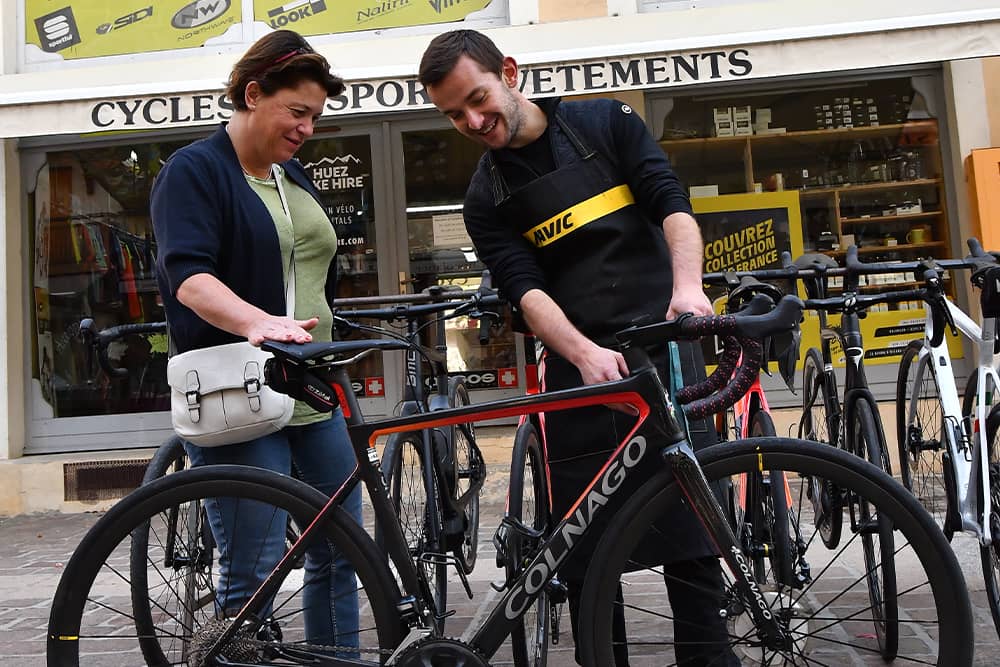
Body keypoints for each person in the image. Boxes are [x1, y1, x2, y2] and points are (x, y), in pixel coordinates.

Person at [419, 30, 739, 666]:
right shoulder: (484, 199)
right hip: (578, 372)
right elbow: (525, 290)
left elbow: (671, 204)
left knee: (694, 543)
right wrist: (589, 358)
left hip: (665, 349)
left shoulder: (605, 121)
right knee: (591, 560)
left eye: (478, 100)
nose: (473, 121)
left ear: (509, 72)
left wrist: (688, 289)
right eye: (455, 115)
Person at [151, 30, 361, 651]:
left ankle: (337, 662)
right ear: (251, 94)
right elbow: (188, 277)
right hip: (239, 390)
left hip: (311, 388)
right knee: (256, 569)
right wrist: (254, 321)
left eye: (316, 117)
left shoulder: (291, 176)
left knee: (343, 546)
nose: (307, 129)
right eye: (297, 112)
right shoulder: (193, 172)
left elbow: (310, 274)